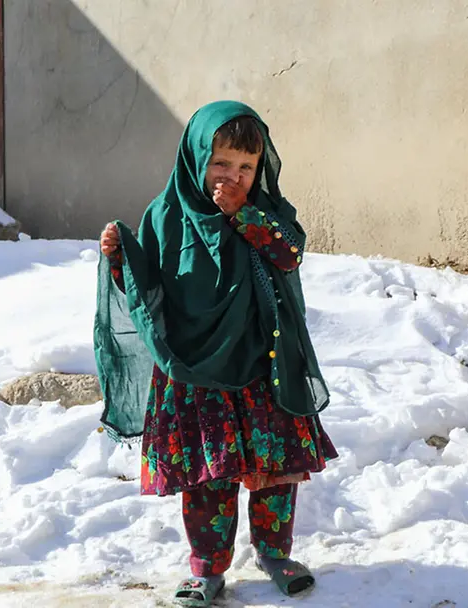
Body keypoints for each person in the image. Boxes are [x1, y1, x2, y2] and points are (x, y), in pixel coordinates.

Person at [94, 100, 337, 607]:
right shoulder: (164, 217)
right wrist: (121, 261)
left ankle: (275, 553)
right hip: (197, 373)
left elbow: (289, 253)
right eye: (221, 163)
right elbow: (152, 292)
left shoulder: (266, 212)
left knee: (273, 471)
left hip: (260, 366)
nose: (234, 175)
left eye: (246, 167)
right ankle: (206, 569)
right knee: (210, 478)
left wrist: (243, 214)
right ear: (195, 158)